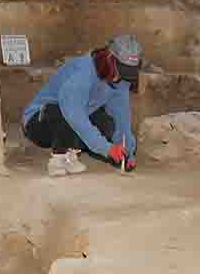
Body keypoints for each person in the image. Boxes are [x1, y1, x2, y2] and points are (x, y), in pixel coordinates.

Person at [22, 34, 142, 177]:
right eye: (122, 68)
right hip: (38, 123)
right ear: (110, 58)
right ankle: (59, 157)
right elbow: (75, 115)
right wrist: (106, 149)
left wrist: (128, 152)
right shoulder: (83, 73)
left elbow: (122, 118)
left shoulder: (120, 80)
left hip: (69, 121)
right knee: (62, 111)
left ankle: (71, 151)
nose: (123, 76)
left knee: (107, 123)